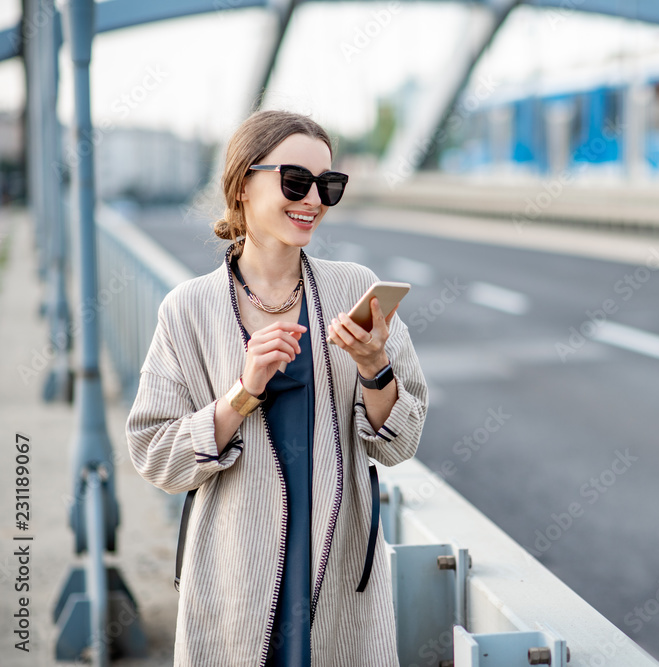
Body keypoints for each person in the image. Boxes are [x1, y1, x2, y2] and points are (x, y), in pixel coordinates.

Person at [126, 109, 427, 666]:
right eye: (295, 181)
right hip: (234, 573)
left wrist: (374, 367)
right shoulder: (189, 309)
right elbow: (154, 455)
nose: (313, 199)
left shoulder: (354, 288)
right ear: (242, 184)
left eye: (328, 185)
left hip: (338, 569)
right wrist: (243, 391)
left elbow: (400, 442)